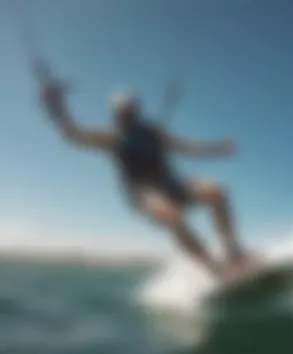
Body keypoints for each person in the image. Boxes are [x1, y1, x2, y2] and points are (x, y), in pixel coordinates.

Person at [40, 80, 255, 281]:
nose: (128, 115)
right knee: (172, 214)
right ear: (116, 114)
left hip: (172, 184)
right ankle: (213, 268)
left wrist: (218, 148)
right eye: (123, 112)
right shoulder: (111, 137)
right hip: (143, 194)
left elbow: (189, 148)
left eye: (131, 110)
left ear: (137, 110)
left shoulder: (154, 133)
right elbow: (75, 135)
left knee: (217, 191)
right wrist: (57, 108)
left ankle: (233, 251)